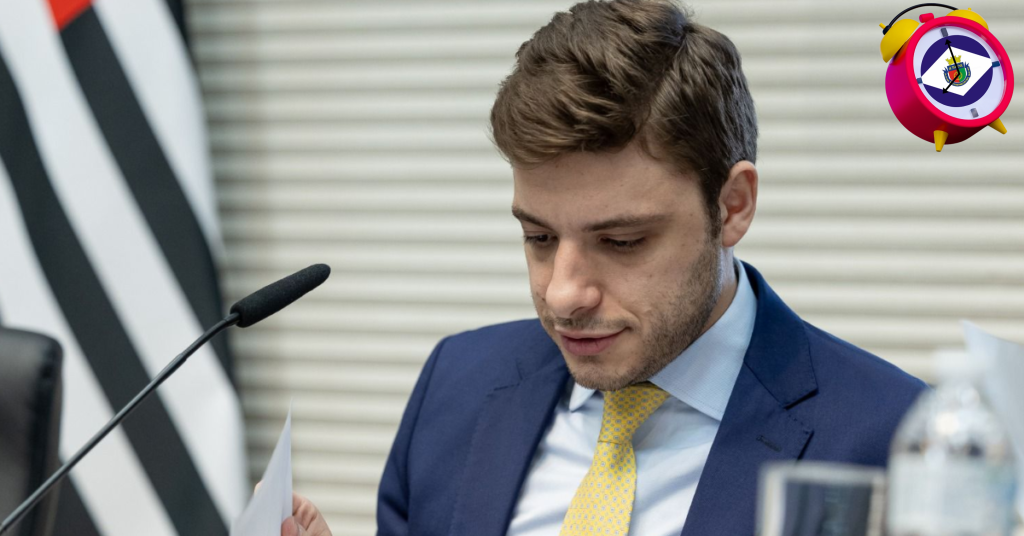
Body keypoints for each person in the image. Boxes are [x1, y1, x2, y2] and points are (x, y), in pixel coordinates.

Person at [281, 1, 926, 534]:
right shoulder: (457, 384)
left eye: (621, 241)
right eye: (538, 237)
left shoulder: (897, 440)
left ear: (732, 206)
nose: (563, 294)